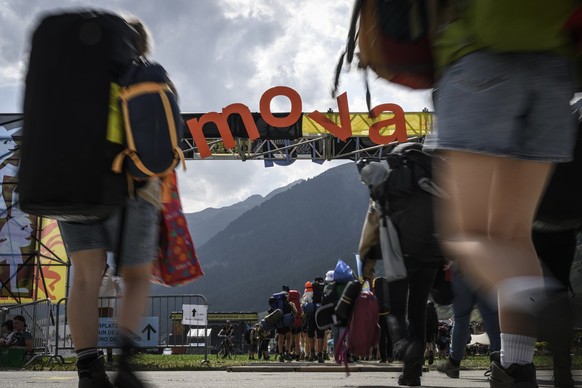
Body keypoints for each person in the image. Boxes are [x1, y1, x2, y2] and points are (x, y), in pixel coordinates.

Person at [423, 2, 579, 387]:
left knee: (466, 233)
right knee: (513, 233)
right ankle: (515, 366)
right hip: (554, 74)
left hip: (479, 63)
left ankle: (546, 303)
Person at [57, 17, 164, 388]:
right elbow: (166, 136)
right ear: (140, 44)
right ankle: (127, 368)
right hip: (130, 189)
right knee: (135, 277)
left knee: (85, 279)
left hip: (71, 189)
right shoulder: (143, 72)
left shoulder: (69, 77)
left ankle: (89, 374)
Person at [437, 263, 501, 379]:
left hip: (463, 266)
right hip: (487, 266)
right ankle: (498, 365)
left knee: (461, 319)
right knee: (491, 319)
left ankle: (453, 364)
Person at [98, 263, 122, 363]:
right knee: (97, 331)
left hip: (107, 306)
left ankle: (109, 357)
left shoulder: (111, 271)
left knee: (107, 330)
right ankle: (99, 354)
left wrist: (119, 291)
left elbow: (116, 282)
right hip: (95, 305)